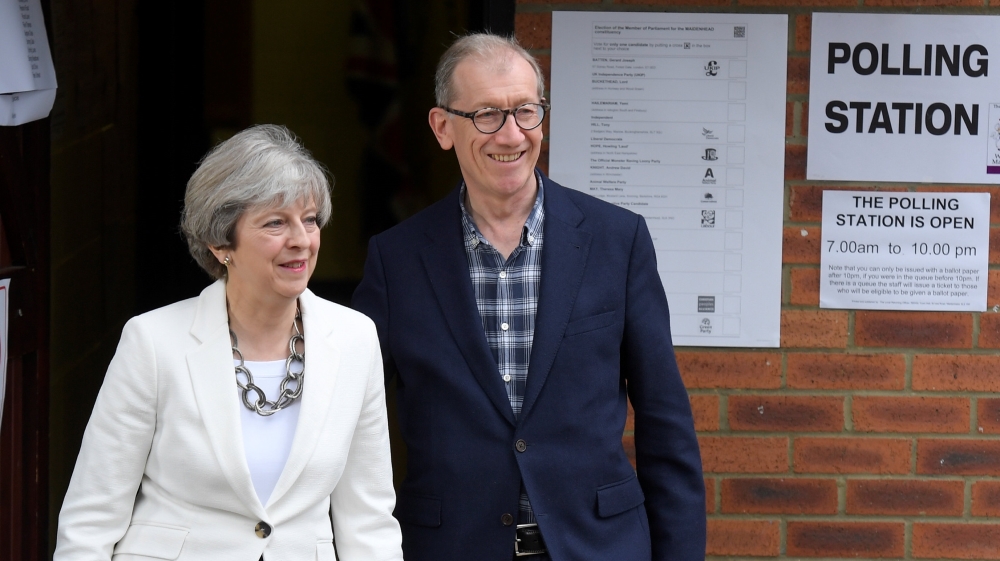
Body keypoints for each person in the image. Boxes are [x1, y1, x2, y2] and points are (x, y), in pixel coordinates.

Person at [352, 34, 705, 561]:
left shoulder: (617, 240)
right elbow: (347, 419)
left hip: (599, 546)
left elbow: (665, 422)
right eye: (488, 114)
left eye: (526, 111)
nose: (512, 133)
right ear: (442, 127)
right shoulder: (396, 260)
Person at [55, 125, 403, 561]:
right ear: (221, 243)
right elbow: (91, 519)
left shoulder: (355, 338)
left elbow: (368, 522)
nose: (302, 239)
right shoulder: (152, 341)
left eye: (310, 219)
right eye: (276, 222)